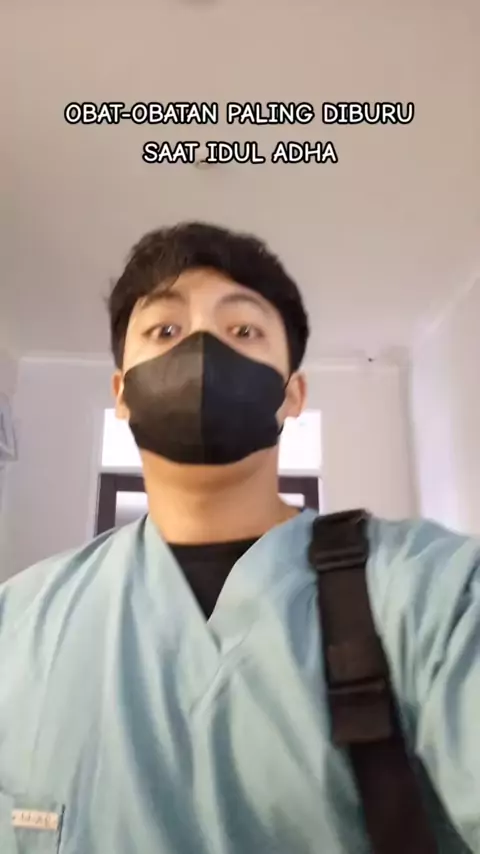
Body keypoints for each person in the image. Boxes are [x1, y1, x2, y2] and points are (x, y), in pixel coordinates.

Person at [0, 222, 478, 854]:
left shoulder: (436, 594)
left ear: (291, 395)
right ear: (122, 394)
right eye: (165, 331)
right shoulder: (18, 621)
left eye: (243, 330)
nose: (200, 349)